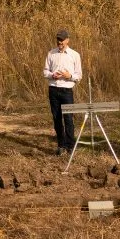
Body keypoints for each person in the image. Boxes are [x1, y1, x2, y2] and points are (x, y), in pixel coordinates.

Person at [43, 28, 82, 156]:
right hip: (53, 90)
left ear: (67, 40)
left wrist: (68, 75)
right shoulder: (51, 53)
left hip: (67, 90)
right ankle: (61, 145)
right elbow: (45, 72)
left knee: (69, 119)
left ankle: (70, 146)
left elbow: (78, 75)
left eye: (62, 40)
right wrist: (52, 75)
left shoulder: (75, 55)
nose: (60, 42)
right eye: (58, 39)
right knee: (57, 118)